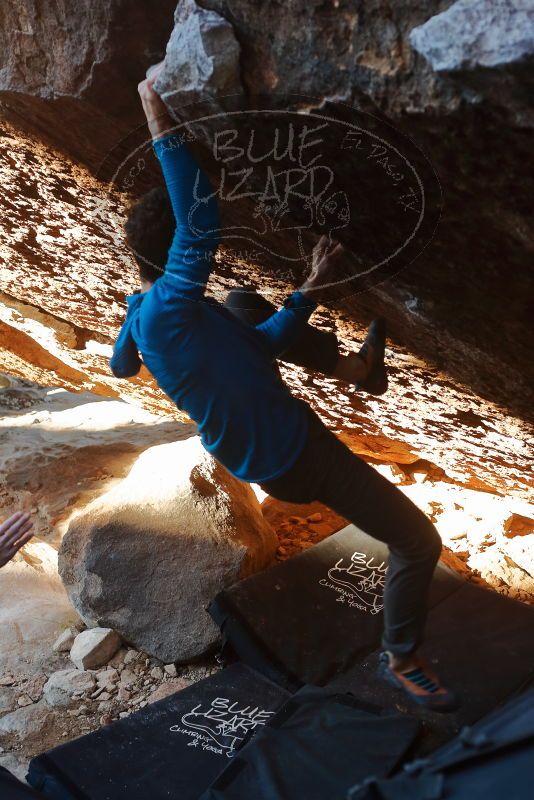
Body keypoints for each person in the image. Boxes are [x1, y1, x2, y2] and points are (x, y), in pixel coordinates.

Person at [110, 63, 456, 711]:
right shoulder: (164, 311)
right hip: (295, 455)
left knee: (242, 308)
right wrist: (157, 115)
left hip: (267, 457)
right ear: (173, 258)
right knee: (417, 539)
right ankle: (403, 659)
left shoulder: (164, 318)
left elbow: (249, 352)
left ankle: (357, 371)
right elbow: (199, 222)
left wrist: (309, 291)